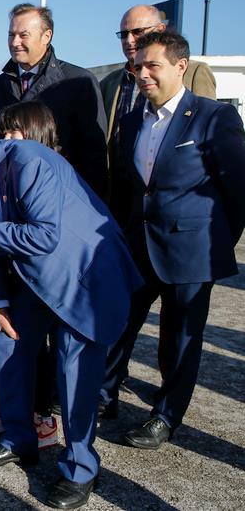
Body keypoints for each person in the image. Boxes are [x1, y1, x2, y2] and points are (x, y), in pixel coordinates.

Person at [0, 114, 143, 509]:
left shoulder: (30, 163)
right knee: (7, 343)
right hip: (33, 278)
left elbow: (44, 235)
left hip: (85, 276)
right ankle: (17, 438)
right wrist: (0, 303)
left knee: (74, 371)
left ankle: (80, 468)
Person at [102, 31, 245, 450]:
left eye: (152, 66)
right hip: (139, 243)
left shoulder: (212, 116)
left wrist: (213, 243)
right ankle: (103, 395)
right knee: (119, 322)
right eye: (138, 67)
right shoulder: (132, 122)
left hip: (192, 251)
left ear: (181, 66)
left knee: (180, 337)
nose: (142, 74)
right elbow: (131, 187)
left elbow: (237, 190)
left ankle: (165, 416)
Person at [0, 100, 61, 449]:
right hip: (18, 279)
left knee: (54, 352)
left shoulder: (46, 173)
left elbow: (44, 236)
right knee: (11, 341)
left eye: (16, 131)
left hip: (53, 281)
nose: (8, 138)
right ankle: (17, 415)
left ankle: (42, 416)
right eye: (4, 131)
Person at [0, 3, 109, 199]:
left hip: (61, 195)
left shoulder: (78, 82)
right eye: (11, 35)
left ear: (46, 36)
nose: (15, 42)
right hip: (10, 197)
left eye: (23, 35)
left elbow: (94, 154)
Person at [100, 4, 216, 148]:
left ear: (160, 30)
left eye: (138, 31)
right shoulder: (108, 84)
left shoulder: (195, 73)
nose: (129, 40)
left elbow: (208, 128)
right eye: (124, 35)